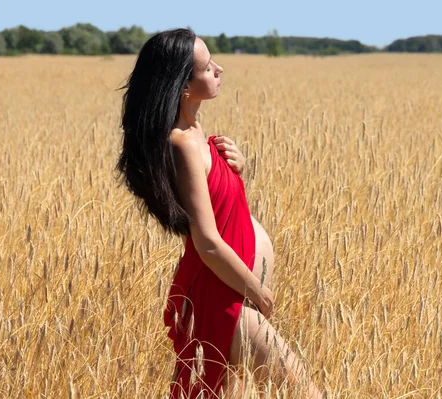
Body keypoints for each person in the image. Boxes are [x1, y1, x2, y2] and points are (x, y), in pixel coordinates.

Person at [116, 28, 322, 398]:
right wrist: (258, 292)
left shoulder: (198, 135)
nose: (219, 68)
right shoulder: (182, 144)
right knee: (302, 391)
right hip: (221, 298)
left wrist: (234, 170)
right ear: (181, 84)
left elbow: (222, 206)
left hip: (232, 290)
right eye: (208, 66)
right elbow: (208, 242)